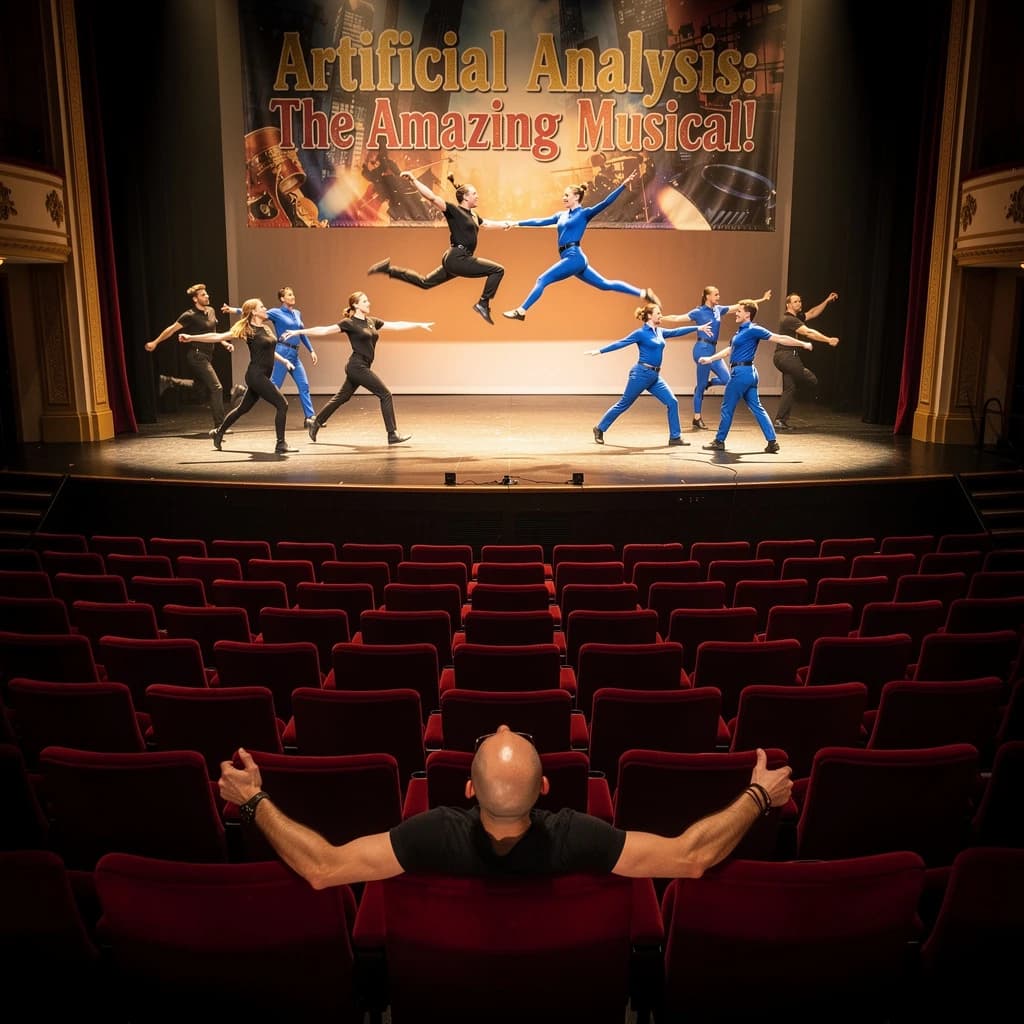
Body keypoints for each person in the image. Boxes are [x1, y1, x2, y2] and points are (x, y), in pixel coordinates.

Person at [218, 725, 793, 885]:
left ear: (466, 790)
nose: (502, 722)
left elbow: (323, 868)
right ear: (546, 791)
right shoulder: (579, 837)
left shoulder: (431, 835)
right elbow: (692, 856)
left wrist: (253, 800)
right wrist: (760, 794)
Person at [502, 168, 660, 322]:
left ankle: (521, 311)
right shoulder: (561, 215)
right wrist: (516, 223)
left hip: (574, 256)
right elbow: (540, 221)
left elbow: (606, 202)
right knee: (604, 285)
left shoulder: (584, 214)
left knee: (542, 280)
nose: (563, 198)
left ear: (576, 197)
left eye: (566, 195)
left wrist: (624, 184)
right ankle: (643, 293)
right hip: (572, 258)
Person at [282, 291, 432, 446]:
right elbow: (324, 330)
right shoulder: (349, 323)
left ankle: (316, 422)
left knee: (342, 397)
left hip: (362, 365)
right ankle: (392, 434)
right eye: (365, 301)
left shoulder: (372, 322)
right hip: (357, 366)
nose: (369, 303)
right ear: (355, 305)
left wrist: (418, 324)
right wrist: (298, 331)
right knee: (385, 394)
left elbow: (396, 325)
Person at [367, 172, 509, 325]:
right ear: (466, 197)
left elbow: (486, 224)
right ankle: (483, 303)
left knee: (425, 282)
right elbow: (432, 198)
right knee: (497, 270)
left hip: (456, 259)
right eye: (474, 193)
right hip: (458, 257)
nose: (477, 196)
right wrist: (414, 180)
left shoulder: (473, 215)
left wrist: (505, 225)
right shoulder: (454, 210)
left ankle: (389, 270)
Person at [585, 303, 712, 447]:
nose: (661, 315)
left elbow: (677, 331)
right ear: (650, 316)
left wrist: (698, 328)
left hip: (655, 376)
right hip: (641, 374)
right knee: (624, 404)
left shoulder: (659, 331)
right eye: (658, 313)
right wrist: (600, 351)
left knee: (672, 402)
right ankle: (599, 428)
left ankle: (675, 437)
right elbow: (621, 343)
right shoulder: (640, 333)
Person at [181, 298, 296, 455]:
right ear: (254, 311)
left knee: (243, 408)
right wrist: (192, 338)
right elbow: (218, 337)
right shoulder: (248, 330)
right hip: (256, 375)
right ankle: (280, 444)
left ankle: (218, 432)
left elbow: (270, 350)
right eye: (262, 307)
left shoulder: (266, 328)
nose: (265, 308)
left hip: (262, 375)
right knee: (282, 404)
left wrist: (284, 361)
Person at [699, 299, 813, 454]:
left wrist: (802, 344)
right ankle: (772, 442)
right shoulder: (740, 332)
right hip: (748, 374)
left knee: (727, 407)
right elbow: (729, 350)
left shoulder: (753, 329)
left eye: (739, 311)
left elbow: (779, 338)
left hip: (741, 374)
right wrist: (710, 359)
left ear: (747, 314)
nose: (736, 313)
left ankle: (719, 441)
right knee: (757, 408)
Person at [662, 285, 772, 430]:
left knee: (727, 379)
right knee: (700, 386)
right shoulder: (698, 312)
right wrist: (660, 318)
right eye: (716, 295)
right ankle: (697, 417)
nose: (718, 297)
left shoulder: (719, 310)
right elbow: (677, 318)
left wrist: (762, 299)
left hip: (712, 349)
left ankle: (710, 383)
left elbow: (742, 306)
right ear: (707, 296)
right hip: (701, 349)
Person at [145, 283, 243, 426]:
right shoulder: (189, 315)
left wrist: (224, 343)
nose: (207, 296)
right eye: (203, 295)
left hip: (208, 356)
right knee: (217, 388)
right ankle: (220, 426)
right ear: (195, 299)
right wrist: (155, 342)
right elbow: (171, 329)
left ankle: (170, 381)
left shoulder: (211, 311)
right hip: (197, 356)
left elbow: (213, 333)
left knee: (200, 387)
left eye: (206, 294)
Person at [223, 287, 318, 430]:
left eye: (293, 294)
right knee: (273, 387)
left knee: (304, 385)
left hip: (294, 355)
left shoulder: (297, 313)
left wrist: (311, 350)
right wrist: (233, 310)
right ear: (282, 298)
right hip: (282, 350)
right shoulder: (276, 312)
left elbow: (301, 333)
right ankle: (243, 390)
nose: (293, 296)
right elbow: (251, 312)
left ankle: (310, 418)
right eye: (289, 295)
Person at [773, 291, 840, 431]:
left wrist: (827, 300)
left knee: (789, 389)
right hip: (787, 356)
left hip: (783, 357)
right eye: (795, 301)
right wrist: (828, 340)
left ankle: (780, 420)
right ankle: (816, 392)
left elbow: (813, 312)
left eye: (800, 301)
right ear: (788, 304)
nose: (799, 303)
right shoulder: (789, 319)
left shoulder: (797, 317)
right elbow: (808, 332)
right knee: (811, 379)